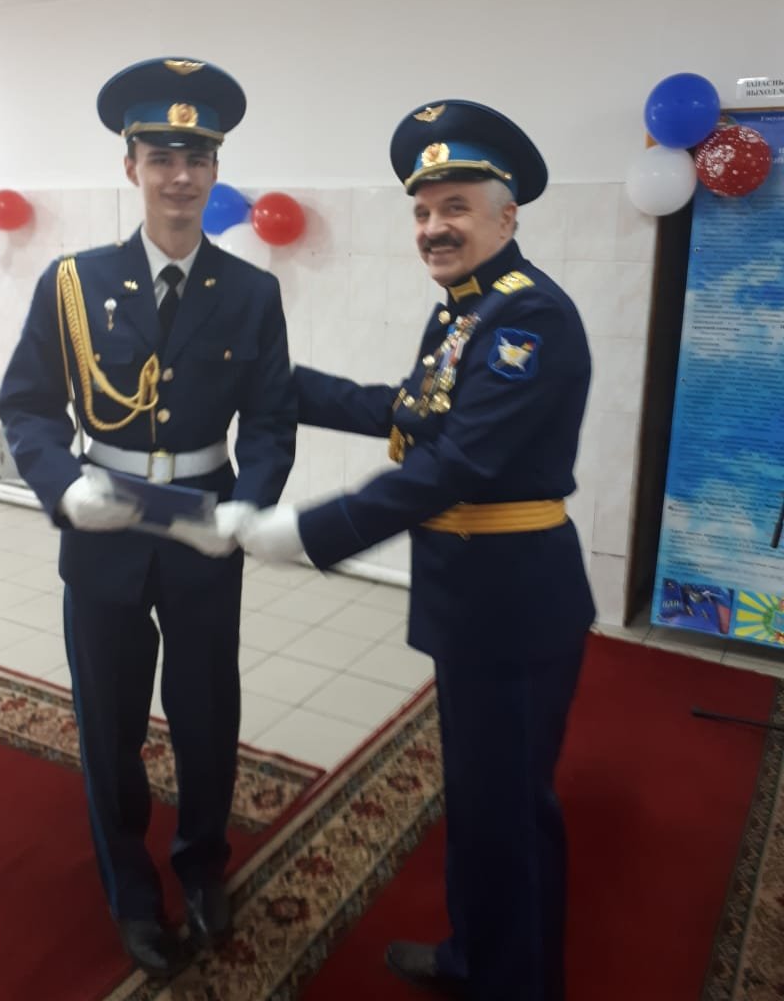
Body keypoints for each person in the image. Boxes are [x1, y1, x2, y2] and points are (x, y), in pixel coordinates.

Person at [240, 100, 596, 1001]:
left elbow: (459, 463)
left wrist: (313, 531)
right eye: (423, 211)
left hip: (514, 603)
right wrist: (276, 383)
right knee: (478, 797)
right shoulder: (465, 314)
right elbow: (408, 412)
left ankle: (516, 985)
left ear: (507, 217)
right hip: (472, 595)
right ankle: (476, 955)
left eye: (456, 208)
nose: (434, 227)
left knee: (510, 809)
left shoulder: (528, 319)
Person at [0, 57, 296, 977]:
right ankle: (129, 887)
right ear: (130, 166)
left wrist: (247, 505)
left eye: (197, 157)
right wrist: (62, 484)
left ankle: (202, 866)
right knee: (110, 717)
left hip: (204, 522)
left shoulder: (251, 292)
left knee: (206, 711)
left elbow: (271, 420)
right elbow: (27, 405)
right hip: (105, 522)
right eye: (162, 157)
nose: (180, 175)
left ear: (216, 170)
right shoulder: (73, 282)